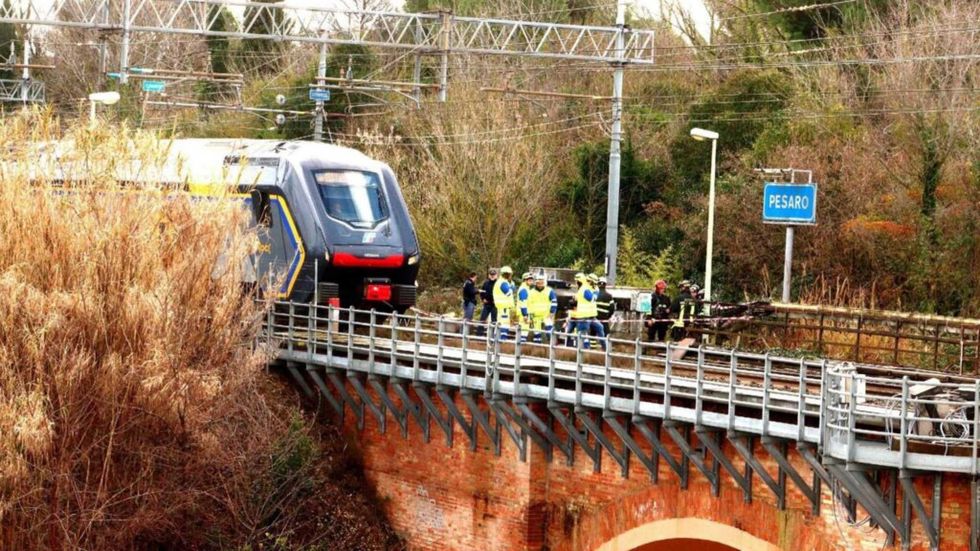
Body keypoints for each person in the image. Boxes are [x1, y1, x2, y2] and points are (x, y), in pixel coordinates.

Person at [569, 272, 603, 349]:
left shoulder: (585, 289)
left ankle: (583, 350)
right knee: (580, 335)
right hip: (579, 316)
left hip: (583, 316)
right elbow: (574, 302)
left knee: (583, 335)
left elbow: (591, 299)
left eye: (576, 281)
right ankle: (579, 350)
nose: (575, 283)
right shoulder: (582, 289)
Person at [526, 273, 557, 343]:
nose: (540, 284)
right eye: (538, 282)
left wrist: (552, 312)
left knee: (550, 332)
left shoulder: (549, 291)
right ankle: (537, 350)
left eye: (542, 282)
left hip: (547, 316)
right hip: (535, 317)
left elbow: (554, 302)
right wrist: (529, 316)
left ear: (544, 282)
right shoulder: (531, 292)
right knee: (537, 335)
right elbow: (528, 305)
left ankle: (552, 348)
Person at [492, 266, 517, 340]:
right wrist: (512, 286)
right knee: (504, 323)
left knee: (500, 322)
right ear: (508, 274)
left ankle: (497, 338)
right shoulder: (503, 283)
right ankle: (503, 339)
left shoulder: (500, 282)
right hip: (504, 307)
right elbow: (508, 293)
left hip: (501, 306)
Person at [477, 268, 498, 336]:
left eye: (493, 275)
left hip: (494, 305)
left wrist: (497, 301)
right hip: (487, 304)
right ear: (489, 275)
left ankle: (492, 335)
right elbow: (482, 292)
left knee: (494, 320)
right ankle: (479, 334)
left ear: (496, 275)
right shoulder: (486, 283)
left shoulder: (498, 284)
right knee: (482, 318)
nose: (492, 276)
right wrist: (483, 299)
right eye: (491, 275)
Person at [516, 272, 534, 341]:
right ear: (524, 280)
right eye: (529, 280)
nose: (531, 281)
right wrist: (525, 315)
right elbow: (523, 303)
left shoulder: (526, 288)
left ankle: (521, 347)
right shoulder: (524, 289)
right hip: (523, 313)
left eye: (531, 280)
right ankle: (521, 347)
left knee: (524, 330)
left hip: (524, 313)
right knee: (524, 331)